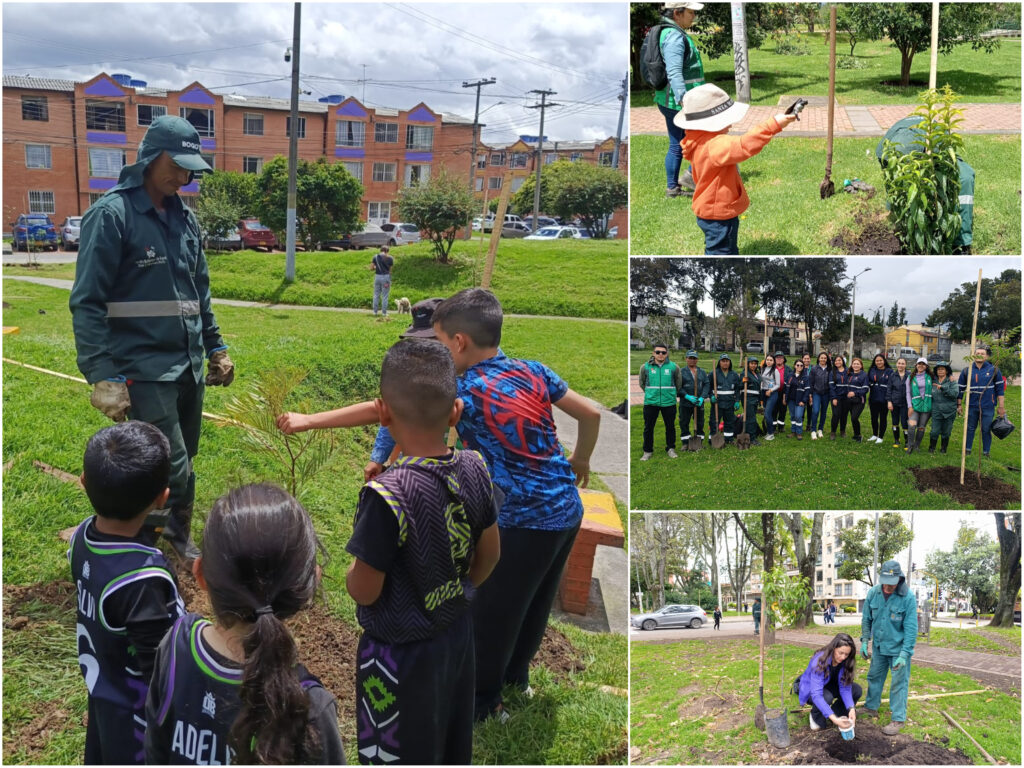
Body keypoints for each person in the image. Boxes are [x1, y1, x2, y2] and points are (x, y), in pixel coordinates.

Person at [277, 288, 601, 722]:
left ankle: (482, 704)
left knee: (495, 614)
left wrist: (309, 420)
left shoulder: (465, 387)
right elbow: (592, 414)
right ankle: (516, 677)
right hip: (568, 508)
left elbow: (387, 410)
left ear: (459, 343)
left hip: (524, 520)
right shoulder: (533, 370)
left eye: (442, 342)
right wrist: (580, 458)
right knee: (535, 604)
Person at [70, 115, 233, 563]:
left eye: (190, 169)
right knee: (170, 466)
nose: (184, 176)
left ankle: (171, 533)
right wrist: (103, 375)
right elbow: (87, 301)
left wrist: (215, 347)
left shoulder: (185, 219)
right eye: (177, 165)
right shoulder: (112, 215)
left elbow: (198, 293)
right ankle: (147, 545)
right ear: (150, 156)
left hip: (187, 363)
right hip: (142, 367)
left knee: (185, 458)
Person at [347, 339, 500, 762]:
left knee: (394, 752)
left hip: (397, 656)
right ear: (455, 412)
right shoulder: (475, 466)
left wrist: (347, 572)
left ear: (382, 412)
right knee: (449, 734)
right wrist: (460, 588)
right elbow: (490, 555)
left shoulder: (385, 495)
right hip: (455, 635)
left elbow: (364, 591)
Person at [144, 484, 345, 764]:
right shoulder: (309, 707)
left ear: (201, 575)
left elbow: (155, 750)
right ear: (311, 583)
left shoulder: (176, 647)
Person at [69, 421, 184, 765]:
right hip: (138, 715)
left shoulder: (81, 538)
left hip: (104, 690)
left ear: (84, 482)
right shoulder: (142, 579)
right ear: (163, 497)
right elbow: (159, 668)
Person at [676, 84, 798, 254]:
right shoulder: (715, 145)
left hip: (710, 211)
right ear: (713, 122)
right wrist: (775, 124)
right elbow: (745, 145)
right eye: (727, 121)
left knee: (723, 247)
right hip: (719, 215)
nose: (731, 125)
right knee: (720, 253)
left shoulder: (697, 140)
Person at [363, 297, 448, 481]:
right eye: (416, 340)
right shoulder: (418, 367)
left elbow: (386, 410)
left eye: (429, 339)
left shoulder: (469, 378)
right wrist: (377, 459)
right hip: (418, 468)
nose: (422, 348)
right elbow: (394, 411)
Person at [653, 1, 706, 198]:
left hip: (668, 100)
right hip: (679, 103)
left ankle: (672, 189)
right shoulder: (674, 36)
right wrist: (685, 102)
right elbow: (674, 71)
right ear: (677, 13)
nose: (694, 16)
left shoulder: (666, 31)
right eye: (691, 12)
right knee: (704, 140)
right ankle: (691, 178)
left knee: (676, 144)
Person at [861, 560, 917, 735]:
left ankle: (898, 718)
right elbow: (866, 619)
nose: (889, 586)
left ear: (899, 578)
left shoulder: (907, 598)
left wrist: (905, 653)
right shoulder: (873, 593)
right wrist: (864, 640)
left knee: (899, 683)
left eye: (892, 582)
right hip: (878, 647)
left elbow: (911, 628)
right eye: (886, 581)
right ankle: (871, 707)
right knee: (874, 677)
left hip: (898, 650)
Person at [796, 633, 861, 732]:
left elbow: (845, 688)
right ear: (834, 648)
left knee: (856, 690)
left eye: (846, 654)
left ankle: (834, 713)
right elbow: (816, 695)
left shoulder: (845, 661)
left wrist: (851, 708)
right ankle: (816, 716)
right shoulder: (819, 661)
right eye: (840, 653)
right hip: (811, 688)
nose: (843, 657)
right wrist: (834, 719)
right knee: (826, 697)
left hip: (829, 684)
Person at [957, 344, 1007, 457]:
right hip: (971, 405)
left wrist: (1001, 406)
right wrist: (959, 404)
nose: (979, 355)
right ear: (973, 356)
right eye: (977, 353)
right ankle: (967, 450)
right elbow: (960, 389)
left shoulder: (994, 370)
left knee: (986, 429)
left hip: (988, 406)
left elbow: (1000, 390)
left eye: (982, 353)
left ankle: (986, 452)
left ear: (987, 356)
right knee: (970, 428)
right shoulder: (967, 371)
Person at [640, 343, 683, 460]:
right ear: (653, 353)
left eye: (663, 352)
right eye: (658, 352)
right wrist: (651, 393)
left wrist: (671, 394)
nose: (660, 354)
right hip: (651, 402)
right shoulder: (645, 367)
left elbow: (678, 384)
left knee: (670, 427)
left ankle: (670, 448)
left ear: (666, 354)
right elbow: (642, 383)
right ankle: (647, 451)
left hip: (669, 402)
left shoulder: (674, 367)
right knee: (648, 427)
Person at [679, 350, 710, 447]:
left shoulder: (702, 372)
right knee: (684, 422)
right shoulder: (681, 372)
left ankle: (699, 441)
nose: (692, 360)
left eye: (694, 358)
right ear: (686, 359)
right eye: (690, 358)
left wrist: (702, 397)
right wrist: (687, 396)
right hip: (686, 403)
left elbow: (707, 384)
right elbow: (678, 387)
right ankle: (685, 442)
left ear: (697, 360)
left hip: (698, 402)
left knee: (700, 422)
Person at [709, 354, 741, 444]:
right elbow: (708, 386)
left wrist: (737, 401)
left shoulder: (734, 374)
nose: (725, 363)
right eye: (723, 361)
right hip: (717, 403)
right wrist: (711, 396)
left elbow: (737, 389)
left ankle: (729, 438)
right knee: (714, 421)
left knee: (729, 421)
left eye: (727, 361)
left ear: (730, 362)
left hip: (729, 402)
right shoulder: (713, 373)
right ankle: (713, 438)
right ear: (719, 362)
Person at [929, 361, 959, 454]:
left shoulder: (952, 381)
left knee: (946, 432)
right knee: (934, 431)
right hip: (936, 410)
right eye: (938, 369)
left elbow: (955, 394)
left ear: (946, 371)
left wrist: (942, 388)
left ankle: (943, 448)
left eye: (942, 369)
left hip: (949, 410)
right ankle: (932, 447)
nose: (940, 371)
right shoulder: (933, 381)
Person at [905, 357, 933, 455]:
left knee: (921, 427)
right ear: (916, 365)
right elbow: (908, 393)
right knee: (911, 425)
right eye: (919, 364)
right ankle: (910, 445)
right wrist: (909, 406)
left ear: (926, 366)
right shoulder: (910, 377)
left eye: (923, 364)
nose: (921, 366)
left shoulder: (930, 377)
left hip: (926, 407)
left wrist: (950, 376)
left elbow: (943, 375)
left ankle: (917, 445)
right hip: (915, 406)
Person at [866, 354, 893, 444]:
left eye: (880, 360)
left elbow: (891, 385)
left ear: (884, 361)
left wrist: (889, 399)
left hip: (884, 399)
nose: (879, 362)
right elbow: (868, 381)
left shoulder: (889, 371)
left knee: (883, 418)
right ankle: (874, 435)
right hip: (873, 398)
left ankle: (880, 437)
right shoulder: (872, 370)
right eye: (877, 361)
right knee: (873, 418)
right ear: (875, 362)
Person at [843, 358, 869, 442]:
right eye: (854, 364)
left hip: (859, 400)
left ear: (861, 365)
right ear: (852, 365)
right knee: (852, 418)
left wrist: (855, 393)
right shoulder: (849, 374)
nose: (856, 365)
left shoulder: (864, 375)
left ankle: (859, 435)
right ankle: (856, 435)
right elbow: (847, 386)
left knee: (854, 417)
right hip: (850, 400)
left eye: (858, 364)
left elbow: (865, 389)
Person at [887, 357, 910, 449]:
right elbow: (889, 389)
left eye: (902, 363)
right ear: (896, 364)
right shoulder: (892, 375)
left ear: (905, 365)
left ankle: (907, 442)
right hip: (894, 402)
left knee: (905, 423)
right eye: (899, 363)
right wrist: (889, 402)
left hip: (905, 403)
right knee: (895, 422)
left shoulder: (910, 375)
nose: (900, 365)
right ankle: (896, 440)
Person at [808, 352, 831, 440]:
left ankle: (820, 429)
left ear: (827, 359)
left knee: (823, 412)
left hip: (826, 394)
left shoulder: (829, 369)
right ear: (818, 358)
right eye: (821, 358)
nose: (823, 359)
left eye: (825, 358)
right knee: (816, 411)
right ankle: (813, 430)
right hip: (816, 393)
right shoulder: (814, 368)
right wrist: (810, 394)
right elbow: (811, 382)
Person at [740, 356, 763, 446]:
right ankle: (752, 438)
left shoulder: (756, 374)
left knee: (752, 417)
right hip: (747, 398)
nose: (753, 365)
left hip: (755, 398)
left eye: (755, 364)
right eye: (751, 363)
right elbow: (739, 386)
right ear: (748, 364)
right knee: (751, 418)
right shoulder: (745, 373)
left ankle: (751, 434)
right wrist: (743, 381)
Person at [786, 358, 810, 440]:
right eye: (798, 365)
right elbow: (786, 388)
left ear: (803, 367)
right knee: (793, 416)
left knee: (798, 416)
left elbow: (807, 391)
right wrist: (785, 398)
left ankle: (799, 432)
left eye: (801, 365)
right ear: (794, 366)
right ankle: (793, 431)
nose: (799, 366)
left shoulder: (805, 377)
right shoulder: (790, 376)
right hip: (791, 400)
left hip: (800, 401)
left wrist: (804, 401)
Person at [760, 354, 782, 441]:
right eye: (767, 360)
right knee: (766, 412)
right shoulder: (762, 369)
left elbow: (778, 385)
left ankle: (771, 433)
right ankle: (768, 431)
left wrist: (770, 390)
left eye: (771, 360)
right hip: (764, 392)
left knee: (767, 413)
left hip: (772, 393)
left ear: (774, 362)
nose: (769, 362)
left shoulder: (775, 371)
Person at [771, 352, 794, 434]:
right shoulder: (772, 368)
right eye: (777, 357)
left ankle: (781, 426)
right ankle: (773, 427)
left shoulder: (788, 369)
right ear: (774, 359)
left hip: (784, 393)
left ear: (784, 359)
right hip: (774, 392)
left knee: (783, 409)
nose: (779, 359)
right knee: (774, 409)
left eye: (781, 357)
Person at [370, 245, 394, 320]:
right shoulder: (390, 258)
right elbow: (390, 271)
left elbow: (371, 268)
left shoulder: (375, 257)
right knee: (385, 295)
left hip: (377, 277)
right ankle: (384, 313)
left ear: (381, 250)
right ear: (387, 251)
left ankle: (375, 312)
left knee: (376, 294)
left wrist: (375, 267)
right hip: (386, 277)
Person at [828, 355, 849, 440]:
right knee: (836, 414)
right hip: (837, 397)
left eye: (839, 360)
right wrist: (834, 398)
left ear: (843, 361)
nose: (838, 362)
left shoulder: (848, 371)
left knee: (844, 415)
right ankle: (833, 432)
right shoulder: (832, 372)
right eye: (836, 361)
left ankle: (842, 431)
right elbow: (831, 386)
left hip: (846, 397)